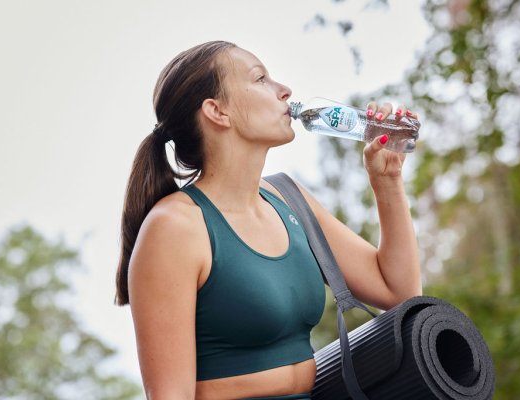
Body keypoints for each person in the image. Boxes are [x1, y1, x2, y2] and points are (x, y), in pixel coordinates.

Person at [115, 40, 421, 400]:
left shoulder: (289, 199)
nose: (284, 90)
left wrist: (387, 181)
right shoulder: (175, 228)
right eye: (260, 79)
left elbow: (398, 292)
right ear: (217, 111)